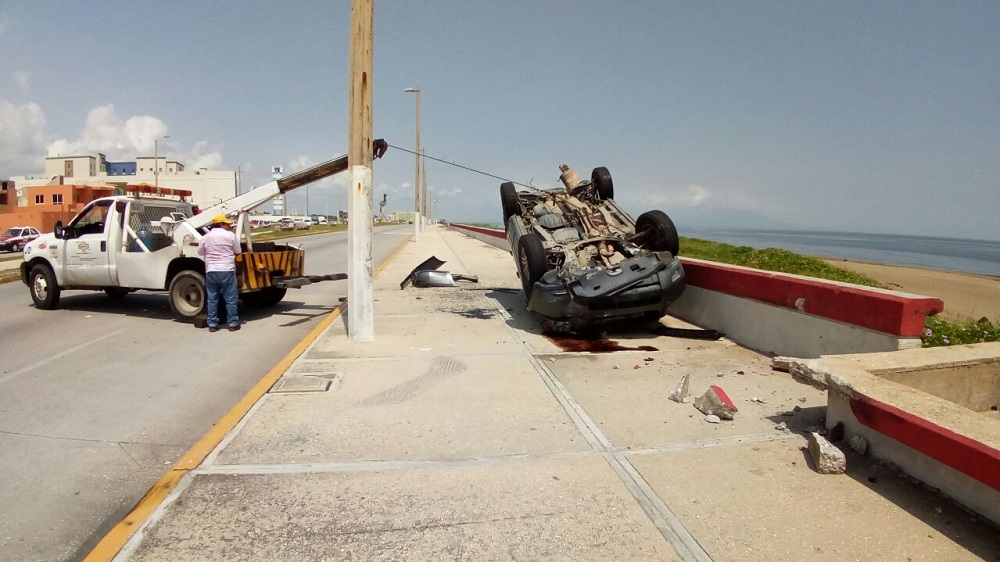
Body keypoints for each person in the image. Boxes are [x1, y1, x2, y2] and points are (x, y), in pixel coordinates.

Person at [197, 214, 242, 332]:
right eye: (227, 224)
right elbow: (238, 252)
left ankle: (212, 324)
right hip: (227, 269)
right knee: (231, 298)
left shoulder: (205, 237)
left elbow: (200, 252)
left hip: (211, 271)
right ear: (221, 224)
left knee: (212, 298)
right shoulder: (230, 236)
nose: (229, 226)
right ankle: (233, 323)